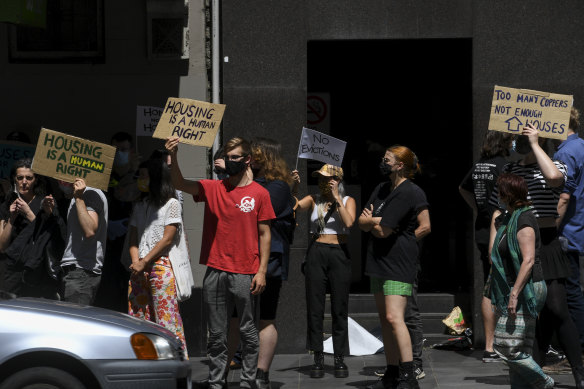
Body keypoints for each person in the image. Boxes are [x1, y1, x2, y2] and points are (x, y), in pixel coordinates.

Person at [165, 136, 274, 389]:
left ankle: (248, 381)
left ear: (247, 159)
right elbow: (180, 183)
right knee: (216, 334)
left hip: (246, 272)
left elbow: (265, 234)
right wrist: (175, 157)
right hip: (215, 270)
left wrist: (262, 271)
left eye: (236, 157)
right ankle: (216, 382)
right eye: (228, 157)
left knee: (248, 331)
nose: (230, 161)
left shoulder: (260, 193)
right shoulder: (214, 188)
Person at [489, 124, 584, 389]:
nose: (518, 142)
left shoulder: (554, 165)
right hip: (518, 244)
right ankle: (535, 372)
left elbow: (554, 178)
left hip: (548, 243)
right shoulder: (510, 170)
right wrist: (493, 250)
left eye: (524, 137)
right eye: (518, 138)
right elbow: (499, 211)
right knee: (530, 312)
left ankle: (578, 370)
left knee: (556, 308)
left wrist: (534, 145)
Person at [358, 145, 431, 389]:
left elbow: (383, 230)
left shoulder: (411, 192)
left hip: (399, 261)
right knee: (385, 320)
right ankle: (391, 373)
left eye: (387, 159)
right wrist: (374, 222)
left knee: (394, 316)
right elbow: (362, 221)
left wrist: (375, 223)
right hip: (378, 260)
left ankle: (408, 375)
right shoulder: (381, 189)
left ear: (400, 165)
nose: (382, 162)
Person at [489, 172, 554, 388]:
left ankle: (544, 382)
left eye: (498, 191)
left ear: (507, 193)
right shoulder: (507, 219)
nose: (496, 195)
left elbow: (528, 261)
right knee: (521, 349)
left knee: (506, 346)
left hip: (526, 288)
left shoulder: (524, 219)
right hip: (513, 286)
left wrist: (515, 293)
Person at [295, 164, 356, 379]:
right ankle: (317, 356)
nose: (322, 182)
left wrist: (337, 197)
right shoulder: (313, 199)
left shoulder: (348, 201)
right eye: (320, 178)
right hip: (317, 251)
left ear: (337, 180)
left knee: (340, 306)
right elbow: (294, 207)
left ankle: (339, 356)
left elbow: (349, 222)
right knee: (315, 305)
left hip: (339, 251)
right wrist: (294, 187)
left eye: (327, 178)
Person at [127, 158, 191, 357]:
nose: (140, 179)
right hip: (139, 268)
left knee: (166, 320)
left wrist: (144, 262)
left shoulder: (171, 204)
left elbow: (167, 238)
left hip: (161, 266)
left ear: (155, 178)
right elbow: (133, 238)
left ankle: (175, 363)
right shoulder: (140, 205)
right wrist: (137, 261)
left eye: (144, 175)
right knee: (139, 319)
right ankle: (148, 364)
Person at [459, 130, 512, 362]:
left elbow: (462, 188)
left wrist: (478, 210)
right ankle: (508, 343)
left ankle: (489, 346)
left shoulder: (480, 165)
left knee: (490, 287)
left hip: (482, 231)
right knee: (509, 285)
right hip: (502, 230)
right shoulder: (505, 166)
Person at [247, 138, 296, 388]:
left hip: (271, 258)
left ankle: (261, 372)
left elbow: (258, 206)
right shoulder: (249, 182)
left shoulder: (279, 187)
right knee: (239, 315)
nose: (250, 160)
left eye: (254, 156)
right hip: (245, 256)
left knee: (266, 315)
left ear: (266, 157)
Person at [0, 158, 64, 298]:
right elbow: (2, 246)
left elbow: (50, 236)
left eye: (29, 178)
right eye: (20, 177)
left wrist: (29, 212)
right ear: (14, 179)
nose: (24, 182)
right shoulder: (7, 204)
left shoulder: (45, 203)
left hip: (36, 271)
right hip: (10, 272)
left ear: (36, 180)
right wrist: (12, 218)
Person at [94, 131, 140, 312]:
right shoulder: (101, 177)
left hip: (130, 241)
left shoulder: (138, 176)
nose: (119, 153)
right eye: (115, 149)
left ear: (131, 151)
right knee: (108, 288)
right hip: (106, 242)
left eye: (123, 150)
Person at [553, 107, 584, 351]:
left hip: (567, 229)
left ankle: (577, 349)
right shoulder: (581, 146)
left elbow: (563, 196)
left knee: (570, 290)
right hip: (578, 227)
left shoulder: (565, 152)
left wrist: (551, 226)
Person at [59, 178, 108, 306]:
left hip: (81, 272)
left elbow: (90, 230)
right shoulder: (80, 195)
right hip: (77, 272)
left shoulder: (90, 194)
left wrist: (79, 198)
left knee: (73, 322)